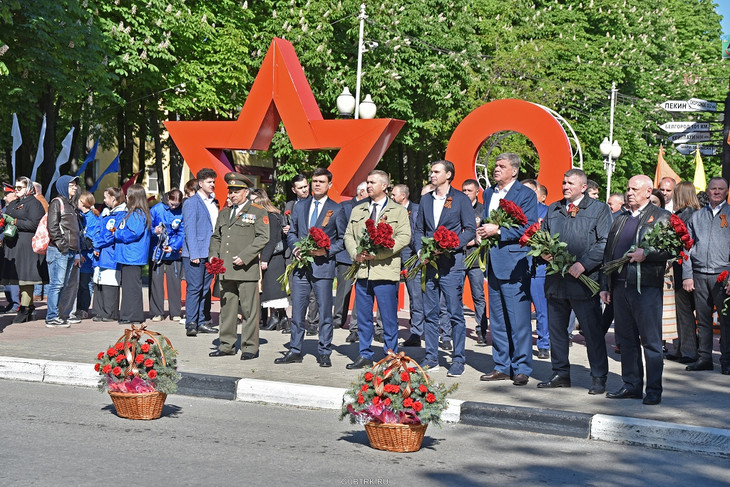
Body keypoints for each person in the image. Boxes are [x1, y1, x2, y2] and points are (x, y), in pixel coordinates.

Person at [537, 169, 611, 394]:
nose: (565, 186)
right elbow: (544, 236)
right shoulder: (554, 208)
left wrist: (584, 264)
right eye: (563, 182)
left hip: (584, 281)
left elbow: (604, 242)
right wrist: (544, 252)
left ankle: (598, 376)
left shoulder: (598, 209)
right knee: (557, 331)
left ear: (583, 187)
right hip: (556, 281)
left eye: (570, 183)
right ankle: (560, 372)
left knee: (592, 332)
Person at [601, 175, 670, 405]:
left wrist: (647, 254)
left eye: (634, 189)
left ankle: (653, 390)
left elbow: (672, 249)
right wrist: (606, 285)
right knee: (626, 339)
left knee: (651, 341)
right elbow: (608, 253)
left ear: (648, 191)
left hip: (646, 288)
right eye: (627, 188)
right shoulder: (620, 218)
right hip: (620, 288)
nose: (629, 193)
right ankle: (631, 385)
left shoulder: (661, 217)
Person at [478, 153, 537, 386]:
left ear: (514, 171)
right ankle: (502, 365)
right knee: (498, 319)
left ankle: (522, 367)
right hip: (492, 263)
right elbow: (486, 222)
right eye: (496, 165)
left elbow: (529, 227)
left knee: (519, 319)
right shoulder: (489, 192)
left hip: (514, 264)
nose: (496, 169)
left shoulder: (526, 194)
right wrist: (482, 231)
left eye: (502, 166)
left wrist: (500, 232)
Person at [276, 168, 343, 367]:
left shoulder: (336, 209)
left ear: (329, 184)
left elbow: (342, 239)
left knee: (324, 312)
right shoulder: (300, 206)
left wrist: (327, 251)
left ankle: (324, 351)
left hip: (323, 266)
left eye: (321, 181)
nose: (316, 185)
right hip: (300, 267)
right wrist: (295, 247)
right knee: (297, 310)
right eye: (314, 181)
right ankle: (295, 349)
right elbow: (292, 232)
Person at [415, 160, 476, 377]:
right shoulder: (425, 199)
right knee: (430, 312)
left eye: (436, 171)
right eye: (431, 171)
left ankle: (458, 359)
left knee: (454, 313)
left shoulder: (460, 199)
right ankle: (431, 357)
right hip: (430, 263)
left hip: (452, 264)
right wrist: (421, 250)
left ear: (448, 175)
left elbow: (470, 229)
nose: (432, 174)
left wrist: (451, 245)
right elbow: (418, 229)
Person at [344, 170, 411, 369]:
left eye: (372, 182)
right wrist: (355, 253)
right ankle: (365, 354)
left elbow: (404, 237)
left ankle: (391, 356)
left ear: (384, 186)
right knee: (364, 317)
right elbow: (348, 234)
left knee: (388, 318)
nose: (368, 185)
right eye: (367, 181)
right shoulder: (358, 210)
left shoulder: (398, 211)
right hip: (363, 270)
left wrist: (379, 254)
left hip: (385, 271)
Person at [208, 173, 270, 359]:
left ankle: (250, 348)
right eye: (230, 191)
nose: (232, 195)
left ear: (245, 192)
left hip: (245, 269)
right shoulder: (225, 212)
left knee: (250, 311)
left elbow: (263, 237)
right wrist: (213, 257)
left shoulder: (258, 211)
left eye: (236, 191)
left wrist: (245, 256)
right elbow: (216, 237)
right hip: (225, 270)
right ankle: (226, 345)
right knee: (227, 310)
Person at [682, 177, 730, 375]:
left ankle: (726, 360)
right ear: (707, 191)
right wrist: (687, 275)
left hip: (723, 275)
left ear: (727, 192)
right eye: (713, 188)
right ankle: (704, 358)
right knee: (702, 320)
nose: (716, 192)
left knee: (727, 321)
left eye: (721, 189)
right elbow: (686, 247)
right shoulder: (697, 216)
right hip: (699, 274)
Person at [1, 177, 47, 323]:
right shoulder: (14, 202)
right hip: (13, 244)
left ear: (28, 188)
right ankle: (30, 308)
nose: (16, 190)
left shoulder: (34, 203)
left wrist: (15, 221)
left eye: (19, 187)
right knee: (17, 277)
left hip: (26, 245)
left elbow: (34, 224)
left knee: (26, 277)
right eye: (16, 187)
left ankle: (25, 308)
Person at [666, 182, 700, 364]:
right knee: (692, 313)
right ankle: (683, 349)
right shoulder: (699, 214)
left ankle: (686, 350)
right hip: (696, 270)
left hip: (683, 269)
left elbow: (686, 246)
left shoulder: (683, 216)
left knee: (683, 312)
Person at [182, 168, 219, 336]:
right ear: (201, 183)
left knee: (205, 288)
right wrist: (194, 254)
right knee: (194, 288)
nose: (213, 185)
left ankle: (202, 321)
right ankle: (191, 322)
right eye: (210, 182)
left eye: (213, 182)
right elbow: (190, 229)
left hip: (210, 252)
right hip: (195, 253)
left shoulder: (213, 201)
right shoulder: (192, 202)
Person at [283, 174, 318, 335]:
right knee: (296, 291)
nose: (304, 190)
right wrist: (286, 230)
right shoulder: (289, 205)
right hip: (293, 252)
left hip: (312, 252)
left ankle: (313, 323)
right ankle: (297, 323)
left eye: (306, 186)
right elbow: (285, 225)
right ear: (294, 189)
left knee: (312, 293)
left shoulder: (315, 203)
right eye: (300, 188)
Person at [45, 175, 81, 327]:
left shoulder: (70, 204)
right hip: (60, 251)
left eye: (75, 185)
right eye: (71, 185)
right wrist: (63, 246)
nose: (75, 187)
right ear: (63, 186)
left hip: (70, 251)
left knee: (63, 284)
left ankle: (58, 315)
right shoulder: (57, 202)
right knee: (56, 284)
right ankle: (52, 317)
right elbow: (52, 226)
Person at [391, 183, 424, 348]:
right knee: (391, 292)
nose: (391, 198)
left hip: (411, 254)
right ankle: (387, 329)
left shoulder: (416, 209)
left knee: (414, 294)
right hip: (392, 254)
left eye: (393, 195)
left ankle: (416, 333)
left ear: (403, 196)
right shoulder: (390, 210)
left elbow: (416, 232)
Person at [333, 181, 367, 340]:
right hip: (346, 255)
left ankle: (355, 324)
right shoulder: (345, 206)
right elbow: (342, 231)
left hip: (365, 255)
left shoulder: (370, 208)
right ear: (361, 193)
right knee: (343, 291)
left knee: (361, 291)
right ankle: (338, 319)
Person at [113, 184, 151, 325]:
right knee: (132, 286)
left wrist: (117, 233)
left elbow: (134, 233)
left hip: (132, 255)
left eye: (128, 195)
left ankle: (130, 315)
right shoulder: (139, 213)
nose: (126, 197)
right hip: (132, 255)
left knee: (131, 287)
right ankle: (132, 314)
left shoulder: (136, 214)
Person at [522, 178, 549, 358]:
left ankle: (543, 343)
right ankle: (521, 344)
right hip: (517, 267)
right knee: (520, 311)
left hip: (538, 267)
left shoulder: (546, 212)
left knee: (541, 308)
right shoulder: (514, 213)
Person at [255, 189, 289, 331]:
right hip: (272, 257)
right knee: (273, 289)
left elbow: (271, 240)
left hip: (273, 257)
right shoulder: (272, 215)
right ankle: (281, 318)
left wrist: (265, 259)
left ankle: (276, 318)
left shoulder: (270, 216)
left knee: (274, 290)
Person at [149, 189, 185, 322]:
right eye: (171, 203)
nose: (174, 206)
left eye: (176, 204)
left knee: (174, 282)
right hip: (157, 250)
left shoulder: (182, 211)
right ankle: (157, 312)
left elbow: (182, 232)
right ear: (167, 199)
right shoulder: (157, 209)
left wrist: (174, 247)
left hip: (173, 252)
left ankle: (175, 312)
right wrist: (155, 230)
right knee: (156, 283)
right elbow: (148, 226)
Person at [461, 178, 488, 345]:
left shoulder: (483, 210)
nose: (465, 193)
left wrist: (477, 241)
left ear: (477, 192)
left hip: (475, 259)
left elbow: (488, 233)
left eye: (469, 191)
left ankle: (481, 331)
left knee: (478, 295)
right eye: (463, 190)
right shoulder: (456, 207)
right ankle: (451, 332)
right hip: (458, 257)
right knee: (454, 295)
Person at [92, 188, 125, 322]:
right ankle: (99, 311)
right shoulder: (105, 213)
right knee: (99, 283)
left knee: (110, 283)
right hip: (100, 254)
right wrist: (95, 243)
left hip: (111, 253)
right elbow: (98, 229)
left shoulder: (121, 214)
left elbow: (113, 235)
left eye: (106, 197)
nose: (104, 200)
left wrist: (98, 243)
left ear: (114, 199)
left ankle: (109, 312)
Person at [74, 191, 99, 321]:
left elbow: (93, 239)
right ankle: (77, 308)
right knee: (79, 284)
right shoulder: (80, 215)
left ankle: (83, 308)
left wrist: (85, 247)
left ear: (83, 202)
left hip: (87, 256)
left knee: (85, 283)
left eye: (78, 200)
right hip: (80, 254)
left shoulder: (92, 219)